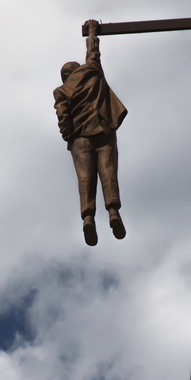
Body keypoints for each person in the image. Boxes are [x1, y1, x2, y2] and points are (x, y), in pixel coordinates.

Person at [54, 20, 127, 246]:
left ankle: (88, 218)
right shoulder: (93, 71)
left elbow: (62, 117)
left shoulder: (62, 91)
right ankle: (113, 212)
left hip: (80, 139)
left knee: (85, 180)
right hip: (103, 131)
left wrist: (69, 135)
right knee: (108, 173)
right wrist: (93, 31)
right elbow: (93, 52)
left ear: (65, 76)